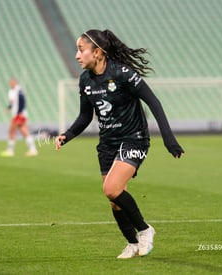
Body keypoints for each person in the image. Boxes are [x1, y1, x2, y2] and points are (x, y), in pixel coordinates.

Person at [55, 29, 184, 259]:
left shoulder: (123, 73)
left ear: (98, 52)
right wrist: (68, 134)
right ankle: (132, 243)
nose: (77, 55)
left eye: (81, 49)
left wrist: (168, 137)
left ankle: (145, 230)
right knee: (114, 199)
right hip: (107, 143)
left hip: (133, 137)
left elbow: (153, 101)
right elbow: (85, 116)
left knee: (111, 189)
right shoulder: (85, 80)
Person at [1, 78, 38, 157]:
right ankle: (32, 149)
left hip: (20, 114)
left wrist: (20, 112)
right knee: (24, 131)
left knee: (11, 131)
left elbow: (22, 101)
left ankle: (10, 151)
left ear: (15, 82)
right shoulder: (11, 91)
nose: (10, 83)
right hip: (17, 114)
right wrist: (9, 108)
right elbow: (12, 103)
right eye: (10, 82)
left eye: (12, 82)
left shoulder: (19, 90)